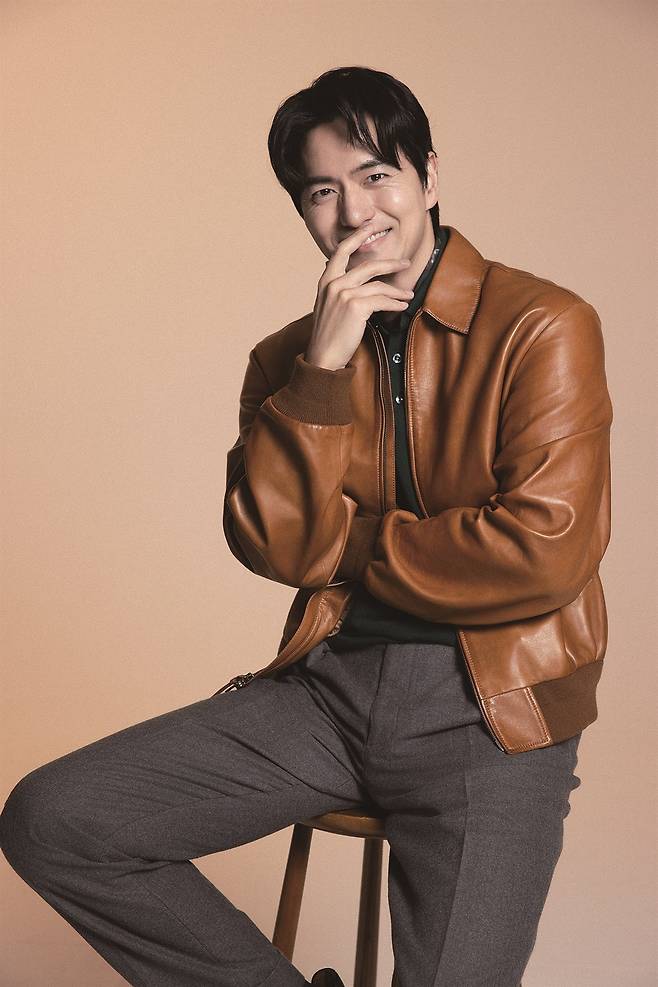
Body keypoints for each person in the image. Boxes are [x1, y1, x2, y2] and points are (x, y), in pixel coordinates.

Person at [0, 66, 613, 987]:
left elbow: (543, 551)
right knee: (55, 820)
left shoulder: (542, 325)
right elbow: (275, 544)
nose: (355, 211)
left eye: (376, 176)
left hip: (491, 715)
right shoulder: (288, 357)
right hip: (327, 696)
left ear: (428, 176)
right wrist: (323, 372)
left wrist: (353, 546)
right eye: (322, 191)